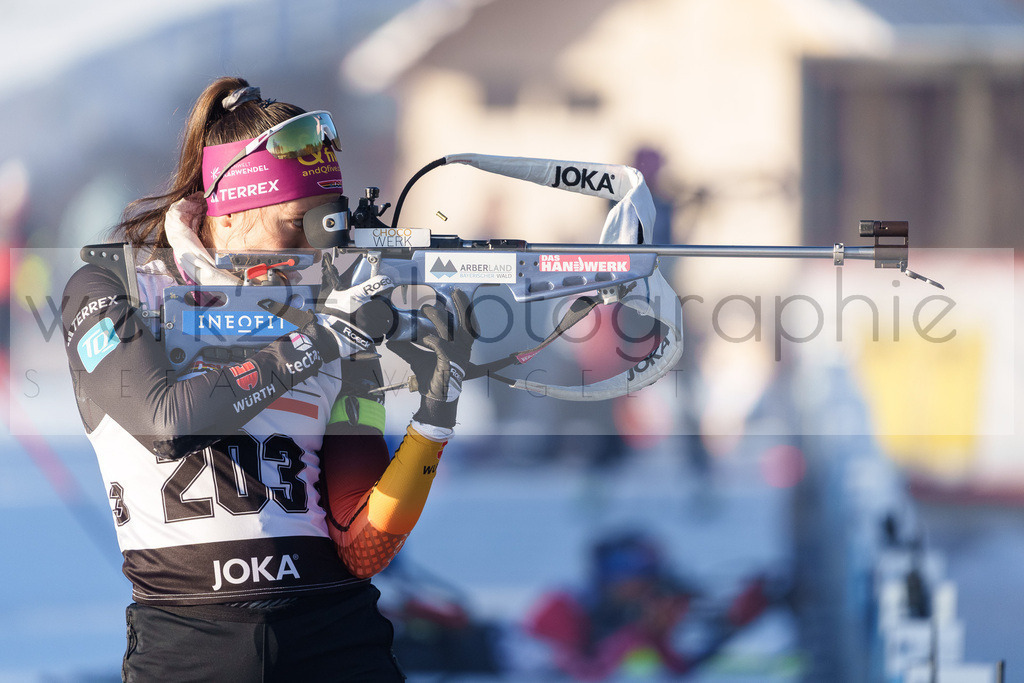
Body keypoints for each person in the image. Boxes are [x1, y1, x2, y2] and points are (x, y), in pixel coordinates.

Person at [61, 76, 474, 681]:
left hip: (334, 638)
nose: (314, 251)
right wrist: (320, 340)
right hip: (187, 644)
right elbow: (166, 421)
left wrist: (434, 419)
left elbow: (363, 545)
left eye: (328, 227)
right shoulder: (114, 288)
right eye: (295, 225)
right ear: (227, 215)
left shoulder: (334, 308)